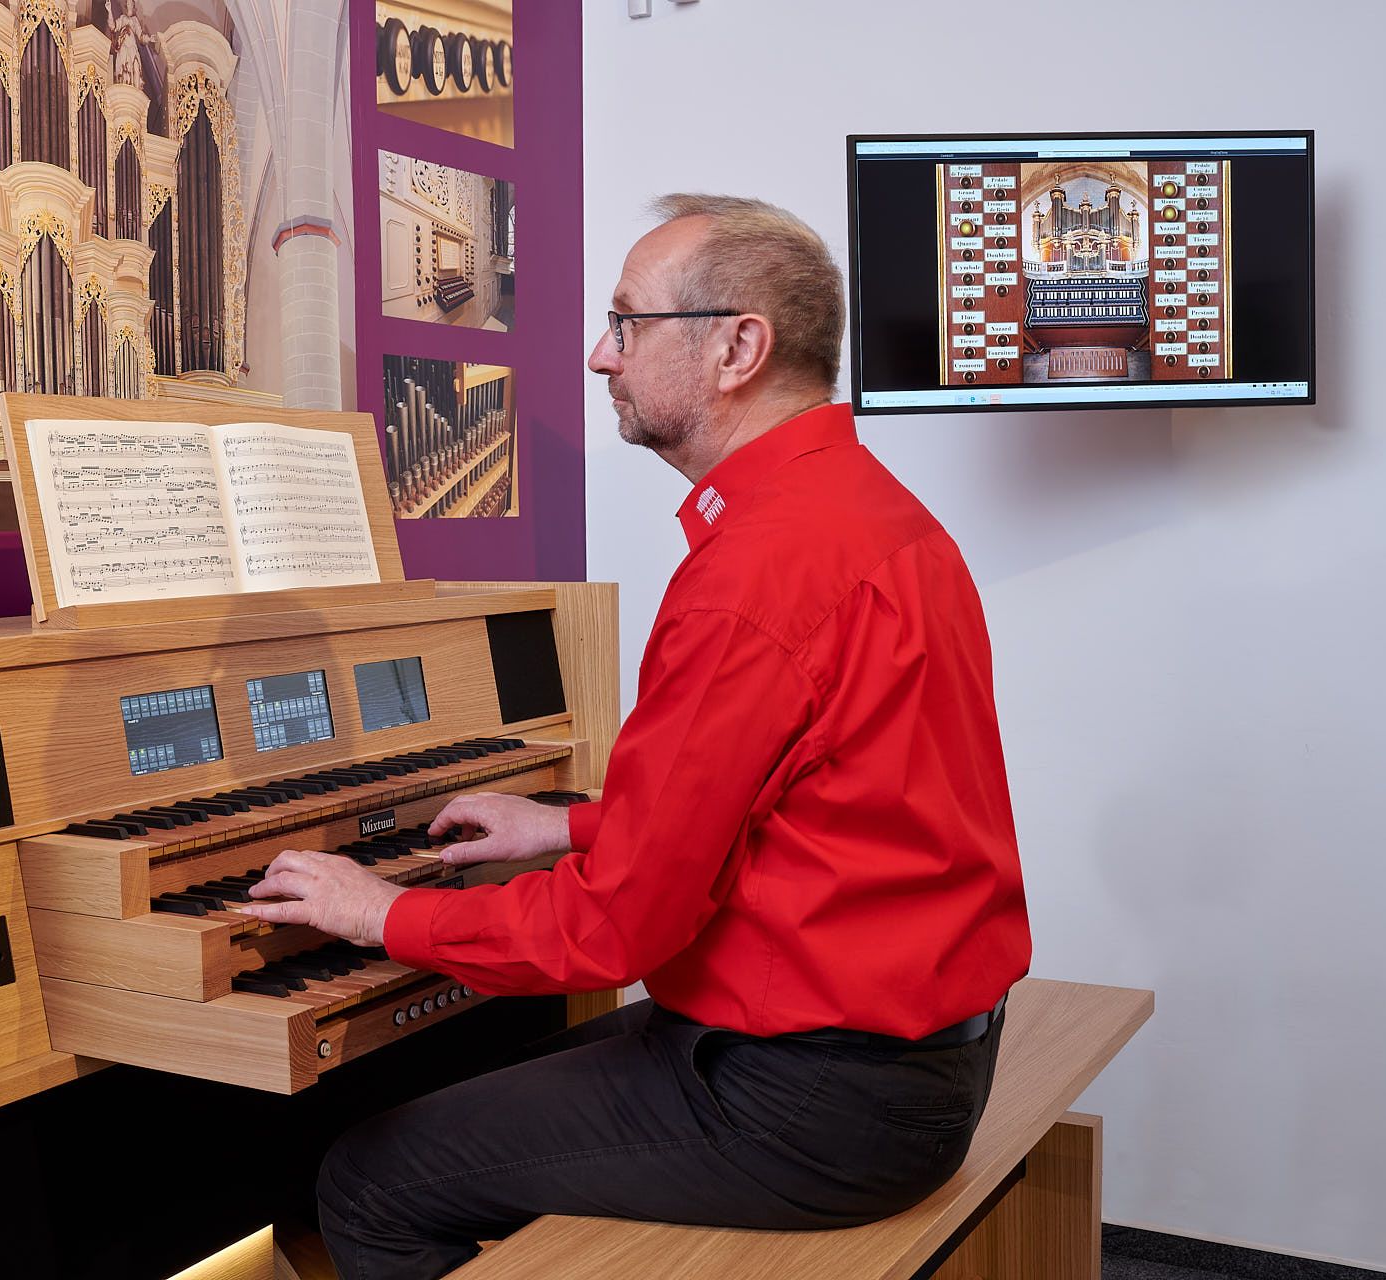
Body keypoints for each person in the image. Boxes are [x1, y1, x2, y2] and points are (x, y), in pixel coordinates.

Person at [240, 194, 1033, 1280]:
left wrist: (382, 907)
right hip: (919, 1055)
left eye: (626, 322)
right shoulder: (870, 511)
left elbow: (620, 930)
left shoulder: (753, 573)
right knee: (478, 1090)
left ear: (737, 346)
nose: (596, 355)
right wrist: (572, 827)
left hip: (823, 1098)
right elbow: (826, 797)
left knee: (368, 1179)